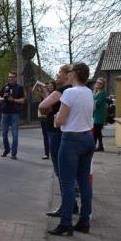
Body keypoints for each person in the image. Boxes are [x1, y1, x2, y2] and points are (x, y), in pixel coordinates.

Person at [48, 62, 95, 236]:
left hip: (71, 140)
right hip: (87, 138)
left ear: (74, 74)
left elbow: (60, 120)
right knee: (84, 182)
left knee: (67, 183)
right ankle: (84, 221)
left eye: (70, 72)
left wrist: (56, 118)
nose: (67, 74)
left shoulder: (69, 92)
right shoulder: (89, 92)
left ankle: (66, 222)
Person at [39, 64, 77, 217]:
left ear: (68, 75)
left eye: (60, 72)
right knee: (69, 171)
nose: (57, 74)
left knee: (60, 171)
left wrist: (47, 109)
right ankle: (72, 204)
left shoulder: (60, 91)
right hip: (71, 133)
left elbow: (43, 106)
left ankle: (66, 206)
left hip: (56, 132)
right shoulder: (77, 91)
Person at [0, 72, 25, 159]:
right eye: (9, 77)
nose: (10, 79)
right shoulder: (5, 86)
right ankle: (7, 150)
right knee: (4, 133)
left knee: (15, 134)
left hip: (15, 114)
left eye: (12, 77)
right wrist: (3, 99)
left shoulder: (19, 87)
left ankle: (14, 153)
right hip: (5, 113)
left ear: (16, 78)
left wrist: (13, 100)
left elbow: (22, 100)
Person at [36, 81, 55, 160]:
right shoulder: (44, 94)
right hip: (43, 117)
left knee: (52, 135)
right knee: (45, 135)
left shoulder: (55, 95)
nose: (49, 87)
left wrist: (44, 95)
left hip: (52, 117)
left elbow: (49, 104)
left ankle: (53, 152)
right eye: (48, 86)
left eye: (51, 86)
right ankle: (46, 153)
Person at [93, 77, 108, 151]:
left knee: (97, 131)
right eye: (97, 82)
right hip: (95, 114)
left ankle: (97, 146)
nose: (98, 84)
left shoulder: (102, 93)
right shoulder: (96, 92)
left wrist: (93, 102)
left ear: (103, 85)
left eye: (100, 83)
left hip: (99, 115)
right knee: (96, 131)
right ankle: (99, 146)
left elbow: (97, 103)